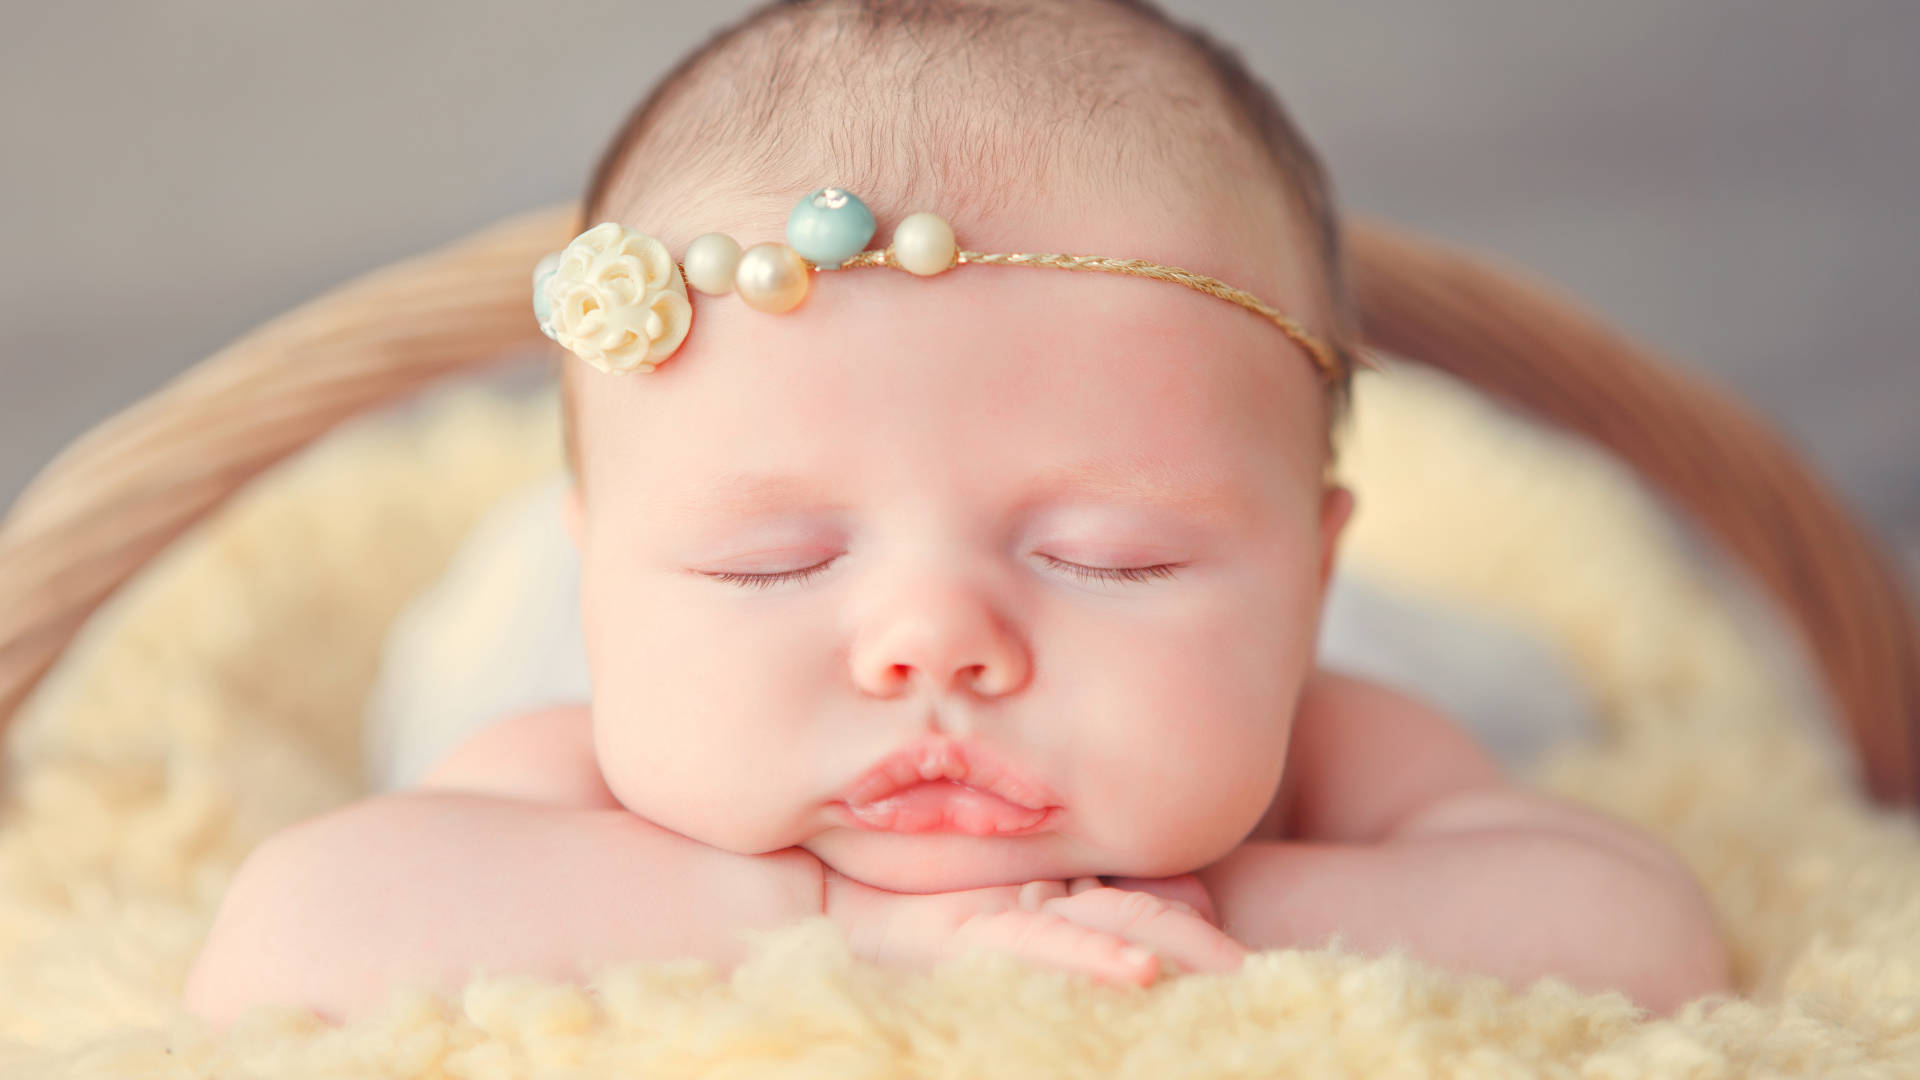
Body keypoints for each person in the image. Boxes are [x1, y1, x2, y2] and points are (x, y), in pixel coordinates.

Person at [184, 0, 1731, 1027]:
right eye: (768, 561)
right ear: (606, 581)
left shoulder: (1330, 748)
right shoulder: (574, 761)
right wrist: (832, 921)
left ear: (1307, 584)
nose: (934, 642)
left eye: (1105, 560)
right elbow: (287, 937)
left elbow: (1643, 935)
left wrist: (1203, 906)